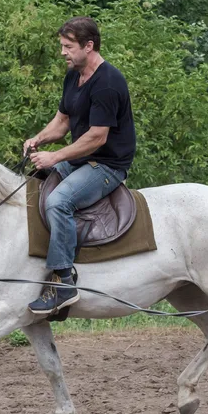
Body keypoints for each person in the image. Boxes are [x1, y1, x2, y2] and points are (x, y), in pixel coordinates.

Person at [22, 17, 136, 315]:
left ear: (89, 45)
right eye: (62, 46)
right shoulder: (73, 76)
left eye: (68, 46)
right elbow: (62, 122)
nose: (63, 52)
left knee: (59, 201)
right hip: (80, 160)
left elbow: (97, 138)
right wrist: (39, 139)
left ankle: (64, 282)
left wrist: (54, 156)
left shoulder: (109, 83)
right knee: (34, 186)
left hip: (106, 165)